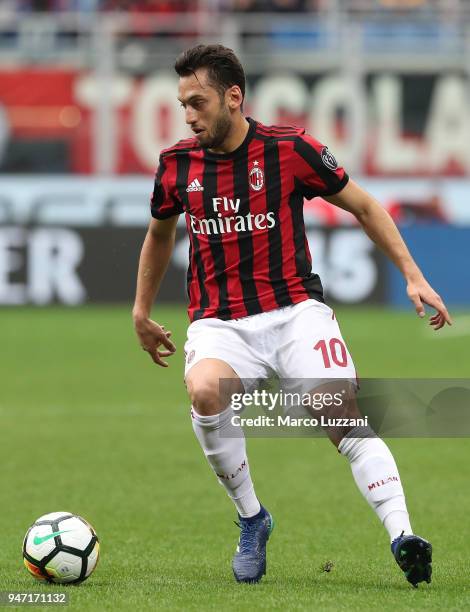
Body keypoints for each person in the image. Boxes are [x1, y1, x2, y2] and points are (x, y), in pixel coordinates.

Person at [132, 43, 451, 586]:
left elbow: (365, 206)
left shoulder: (290, 149)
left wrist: (413, 274)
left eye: (198, 102)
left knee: (339, 414)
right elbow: (159, 235)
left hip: (295, 312)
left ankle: (403, 536)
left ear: (234, 98)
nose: (188, 115)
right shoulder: (175, 166)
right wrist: (141, 310)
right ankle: (253, 519)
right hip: (220, 323)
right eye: (183, 104)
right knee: (206, 391)